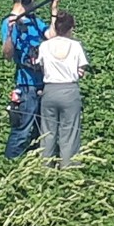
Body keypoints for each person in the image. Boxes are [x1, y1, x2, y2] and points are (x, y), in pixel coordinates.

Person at [1, 0, 60, 159]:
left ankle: (37, 163)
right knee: (22, 131)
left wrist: (54, 11)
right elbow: (7, 55)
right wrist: (11, 31)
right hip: (26, 85)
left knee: (42, 129)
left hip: (43, 82)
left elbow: (52, 36)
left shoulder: (34, 20)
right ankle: (10, 164)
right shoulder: (8, 22)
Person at [37, 10, 89, 168]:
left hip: (50, 90)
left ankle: (44, 168)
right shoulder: (75, 46)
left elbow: (41, 66)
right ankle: (69, 168)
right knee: (70, 132)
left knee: (47, 132)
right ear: (70, 28)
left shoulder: (45, 46)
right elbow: (81, 70)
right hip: (69, 91)